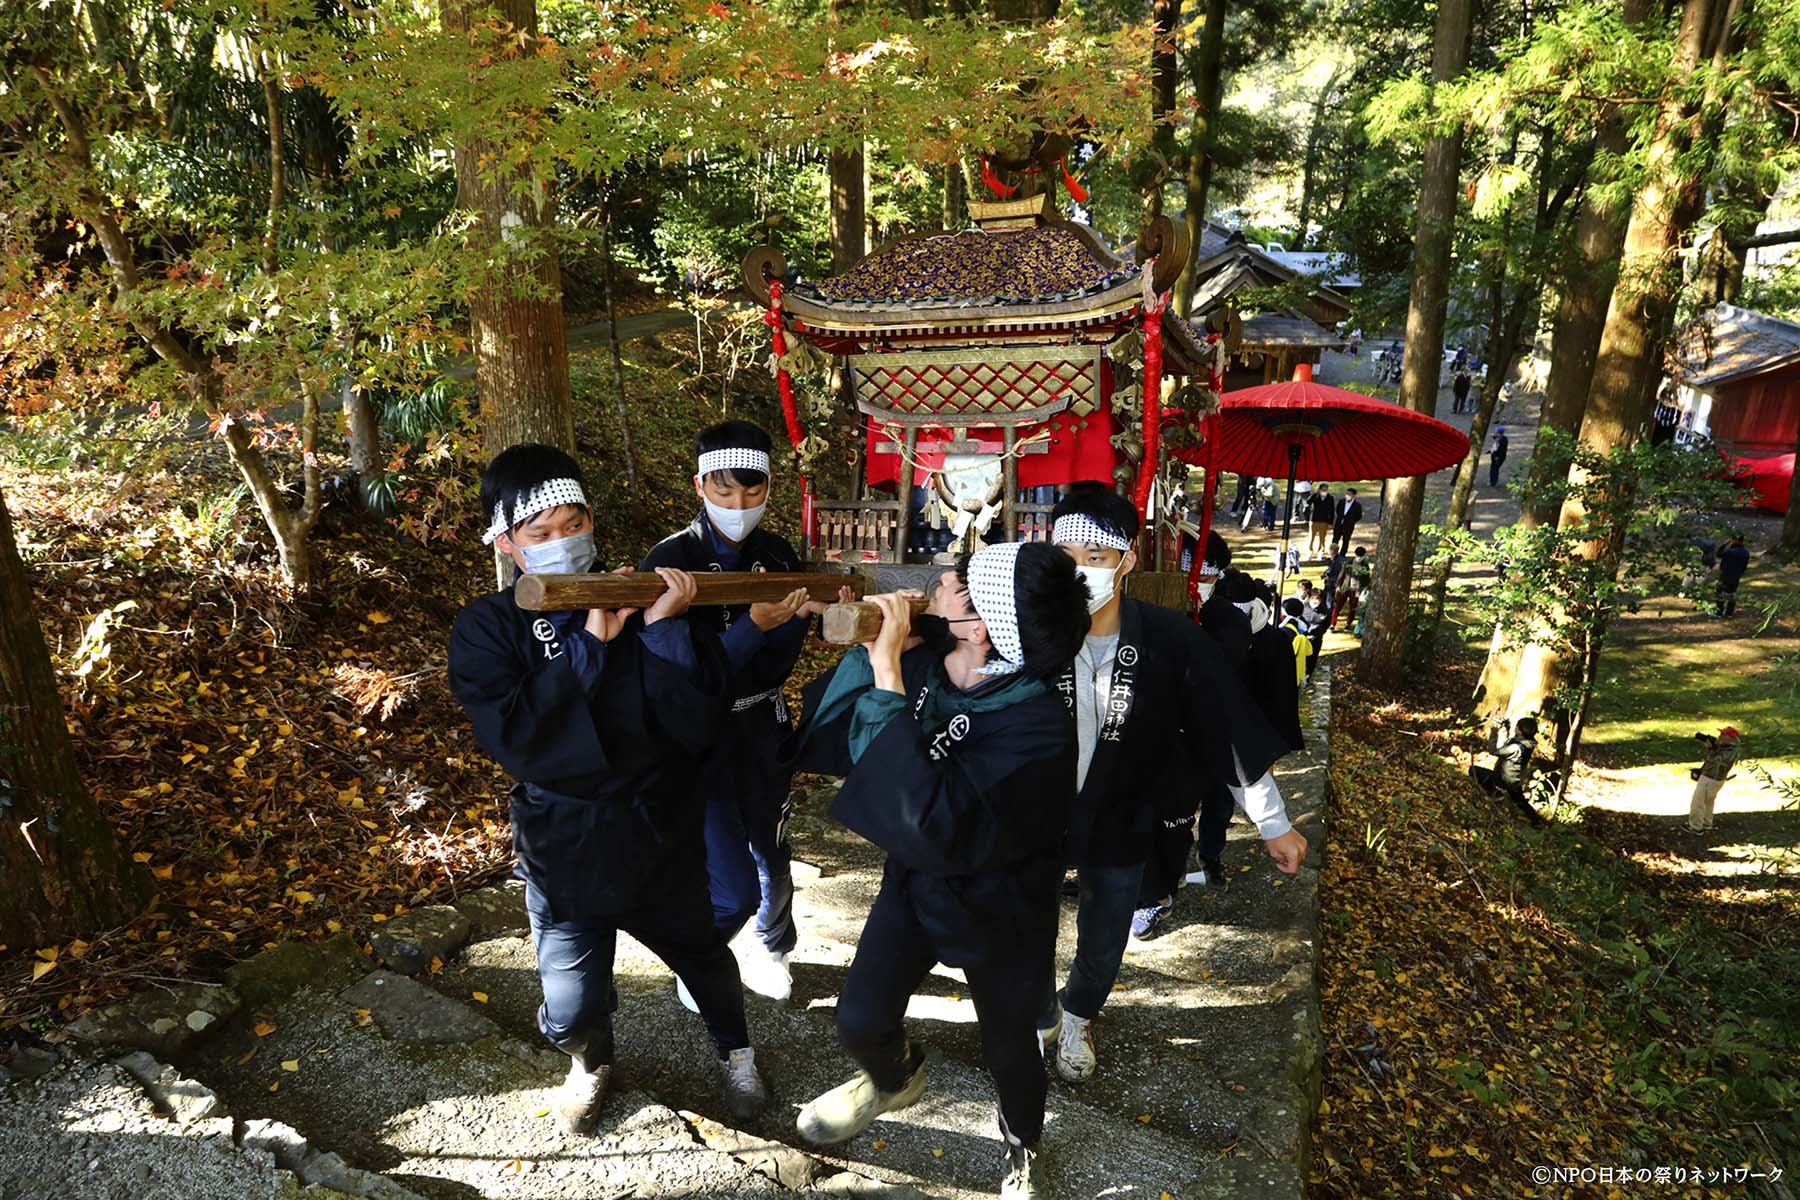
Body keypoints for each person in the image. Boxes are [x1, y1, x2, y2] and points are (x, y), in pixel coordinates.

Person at [447, 444, 769, 1134]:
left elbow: (697, 722)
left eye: (574, 524)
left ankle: (735, 1049)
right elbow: (518, 738)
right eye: (541, 534)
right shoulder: (487, 626)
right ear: (507, 544)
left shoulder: (641, 593)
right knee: (568, 1010)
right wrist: (590, 646)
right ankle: (589, 1058)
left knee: (706, 960)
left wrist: (662, 630)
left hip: (658, 824)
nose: (564, 542)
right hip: (565, 840)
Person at [788, 543, 1090, 1199]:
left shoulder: (1038, 727)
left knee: (1011, 1051)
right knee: (859, 1020)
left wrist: (886, 671)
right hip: (917, 881)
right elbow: (843, 738)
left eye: (953, 585)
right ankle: (895, 1078)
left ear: (981, 626)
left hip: (1001, 902)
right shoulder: (932, 645)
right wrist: (845, 615)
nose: (935, 588)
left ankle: (1021, 1148)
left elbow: (929, 816)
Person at [1041, 486, 1304, 1068]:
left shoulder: (1171, 638)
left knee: (1106, 929)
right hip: (1037, 809)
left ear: (1127, 560)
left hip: (1122, 806)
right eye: (1067, 556)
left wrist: (1273, 823)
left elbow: (1227, 729)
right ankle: (1040, 1011)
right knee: (1025, 919)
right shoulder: (1026, 631)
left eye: (1097, 558)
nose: (1081, 572)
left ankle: (1079, 1017)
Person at [640, 421, 838, 1005]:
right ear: (700, 485)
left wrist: (823, 615)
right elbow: (677, 673)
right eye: (724, 492)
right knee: (722, 865)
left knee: (774, 847)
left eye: (752, 492)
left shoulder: (778, 554)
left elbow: (804, 635)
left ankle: (774, 947)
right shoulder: (670, 560)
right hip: (700, 735)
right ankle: (699, 956)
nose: (738, 505)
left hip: (762, 725)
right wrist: (753, 627)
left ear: (770, 487)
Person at [1469, 716, 1543, 826]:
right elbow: (1511, 744)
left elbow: (1494, 750)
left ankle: (1495, 794)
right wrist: (1506, 730)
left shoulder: (1517, 747)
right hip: (1515, 780)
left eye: (1517, 726)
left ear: (1520, 731)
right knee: (1521, 802)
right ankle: (1537, 822)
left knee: (1474, 770)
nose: (1515, 727)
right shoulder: (1528, 743)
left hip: (1504, 779)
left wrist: (1494, 732)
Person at [1687, 727, 1742, 833]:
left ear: (1729, 738)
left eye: (1723, 734)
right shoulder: (1731, 749)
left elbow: (1713, 761)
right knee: (1708, 801)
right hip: (1716, 780)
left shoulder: (1729, 751)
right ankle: (1706, 823)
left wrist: (1710, 749)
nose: (1720, 736)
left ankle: (1695, 826)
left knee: (1698, 802)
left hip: (1710, 779)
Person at [1332, 546, 1370, 628]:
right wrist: (1338, 586)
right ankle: (1333, 623)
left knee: (1353, 608)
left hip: (1356, 590)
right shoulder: (1348, 562)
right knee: (1338, 606)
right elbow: (1341, 575)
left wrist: (1365, 588)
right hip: (1345, 587)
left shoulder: (1364, 565)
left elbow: (1366, 577)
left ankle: (1348, 624)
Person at [1278, 598, 1314, 683]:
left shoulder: (1284, 632)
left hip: (1285, 676)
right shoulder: (1301, 628)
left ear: (1284, 614)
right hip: (1298, 675)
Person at [1716, 535, 1749, 616]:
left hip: (1726, 574)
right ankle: (1729, 612)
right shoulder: (1746, 552)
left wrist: (1724, 544)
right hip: (1736, 576)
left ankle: (1719, 611)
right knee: (1732, 594)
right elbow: (1744, 566)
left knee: (1720, 592)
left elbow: (1719, 554)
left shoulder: (1731, 551)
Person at [1331, 487, 1363, 557]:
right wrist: (1341, 518)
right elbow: (1337, 510)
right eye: (1347, 493)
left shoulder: (1357, 505)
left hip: (1348, 526)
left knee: (1346, 540)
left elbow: (1358, 516)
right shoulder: (1341, 501)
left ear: (1354, 495)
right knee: (1335, 539)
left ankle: (1342, 554)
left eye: (1349, 494)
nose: (1347, 495)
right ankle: (1333, 553)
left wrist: (1351, 521)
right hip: (1338, 524)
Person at [1307, 483, 1335, 557]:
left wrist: (1330, 523)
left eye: (1326, 490)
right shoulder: (1315, 496)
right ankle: (1310, 550)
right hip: (1314, 519)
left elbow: (1332, 511)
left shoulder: (1330, 498)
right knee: (1311, 536)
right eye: (1323, 489)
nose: (1324, 491)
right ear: (1319, 489)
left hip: (1324, 520)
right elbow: (1308, 502)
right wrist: (1314, 494)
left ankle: (1321, 550)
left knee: (1322, 537)